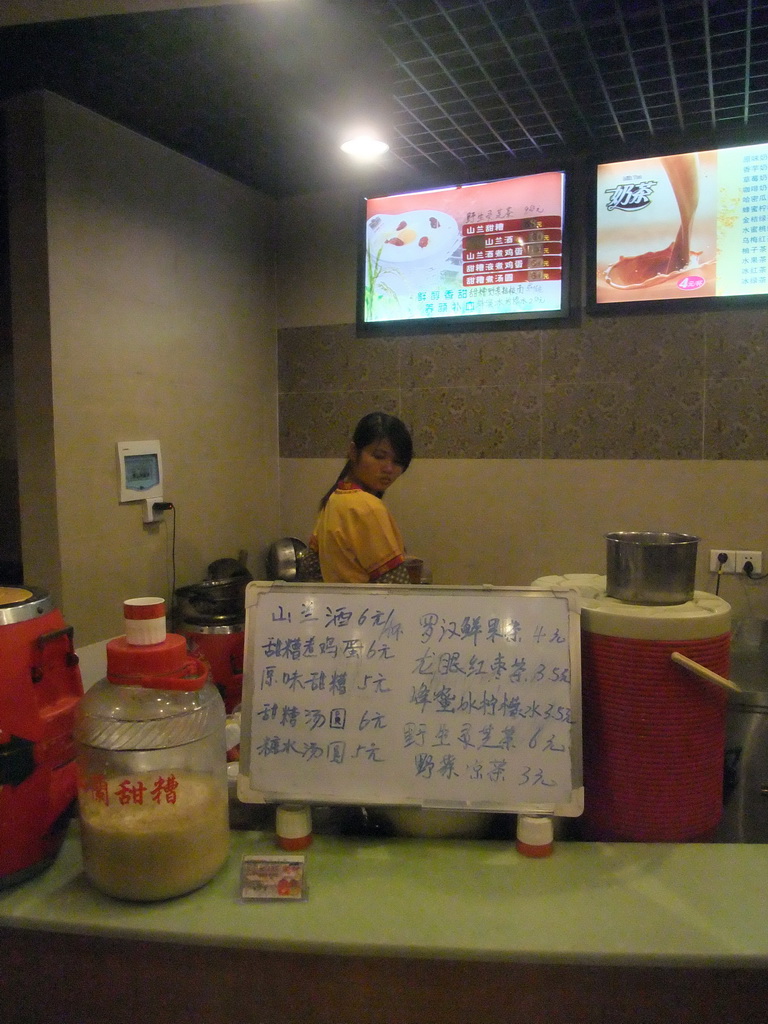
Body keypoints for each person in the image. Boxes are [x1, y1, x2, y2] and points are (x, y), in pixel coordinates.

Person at [298, 412, 413, 584]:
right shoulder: (368, 507)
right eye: (379, 456)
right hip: (369, 609)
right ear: (353, 451)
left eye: (397, 461)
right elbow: (395, 587)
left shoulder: (334, 499)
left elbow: (311, 567)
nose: (389, 468)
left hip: (337, 608)